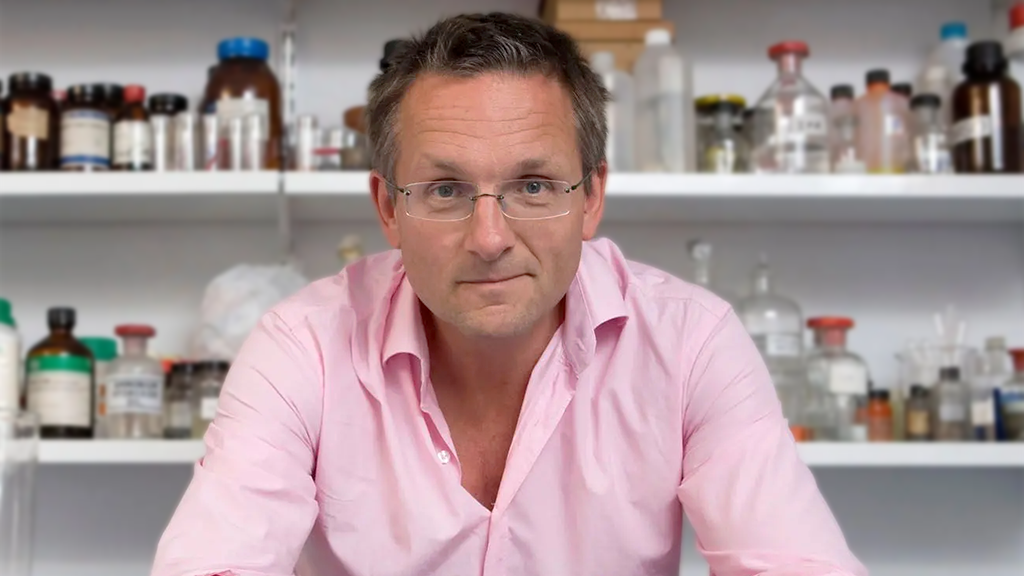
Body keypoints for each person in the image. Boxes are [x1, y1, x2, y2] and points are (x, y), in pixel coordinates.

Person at [151, 13, 866, 576]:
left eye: (532, 185)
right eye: (445, 189)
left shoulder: (689, 343)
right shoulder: (302, 345)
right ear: (388, 208)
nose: (489, 237)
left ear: (591, 197)